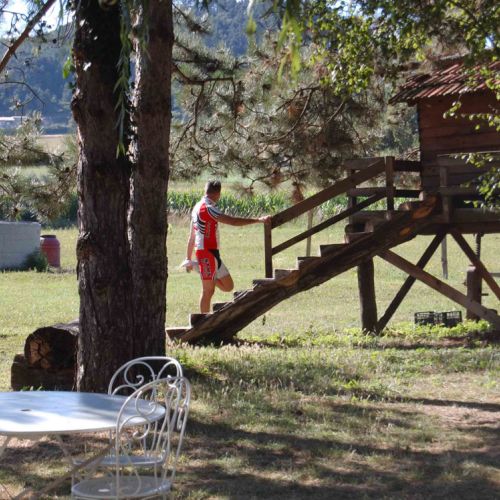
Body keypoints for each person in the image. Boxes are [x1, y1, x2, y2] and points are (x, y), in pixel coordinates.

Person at [185, 180, 271, 313]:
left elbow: (191, 237)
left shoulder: (196, 207)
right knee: (208, 291)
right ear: (218, 194)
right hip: (205, 252)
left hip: (212, 252)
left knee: (228, 286)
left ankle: (200, 268)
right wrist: (258, 220)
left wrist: (188, 258)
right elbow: (233, 221)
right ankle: (202, 322)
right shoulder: (208, 208)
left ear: (205, 190)